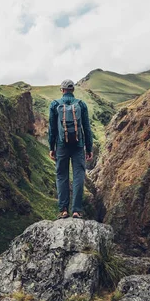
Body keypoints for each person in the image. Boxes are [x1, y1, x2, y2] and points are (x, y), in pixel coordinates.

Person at [48, 79, 93, 219]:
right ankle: (76, 210)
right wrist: (89, 148)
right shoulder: (81, 104)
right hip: (78, 146)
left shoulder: (55, 104)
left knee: (62, 176)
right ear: (73, 90)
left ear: (62, 90)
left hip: (61, 145)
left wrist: (51, 147)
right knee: (78, 175)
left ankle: (63, 210)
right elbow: (87, 128)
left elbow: (52, 129)